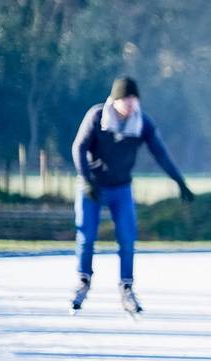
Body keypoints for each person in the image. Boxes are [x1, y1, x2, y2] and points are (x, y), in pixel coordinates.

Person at [70, 76, 196, 315]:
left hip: (121, 187)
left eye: (134, 99)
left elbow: (160, 153)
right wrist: (86, 180)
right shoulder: (97, 117)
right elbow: (79, 147)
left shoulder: (141, 123)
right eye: (126, 99)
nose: (130, 104)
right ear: (115, 100)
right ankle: (83, 280)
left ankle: (126, 286)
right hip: (93, 186)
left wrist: (180, 181)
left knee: (127, 239)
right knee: (86, 235)